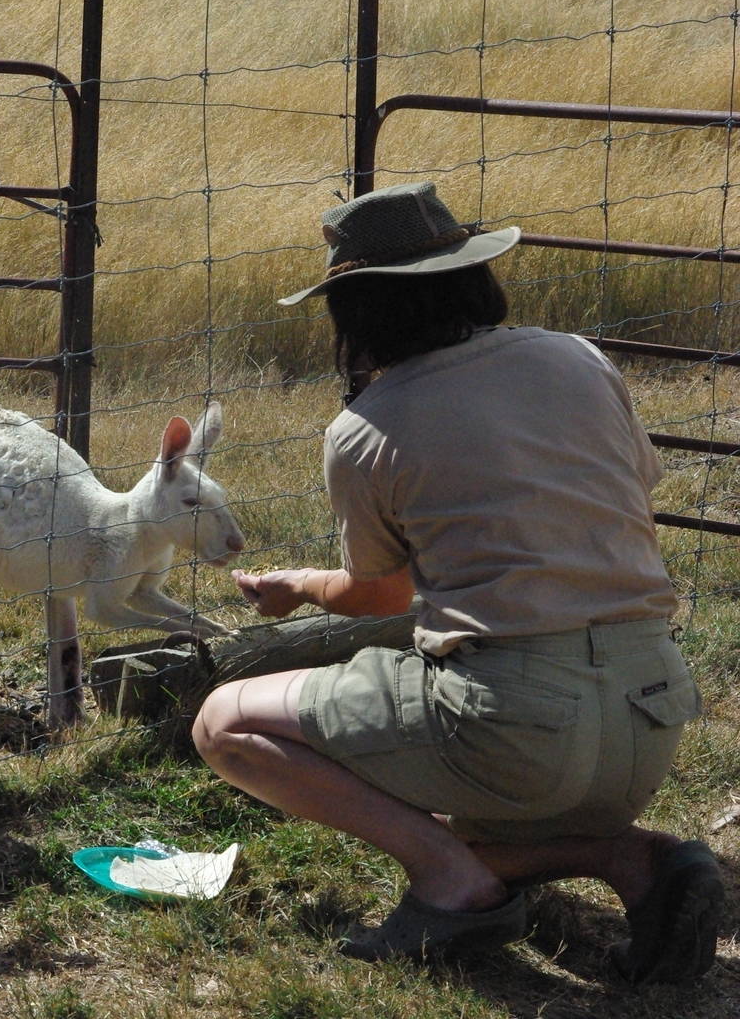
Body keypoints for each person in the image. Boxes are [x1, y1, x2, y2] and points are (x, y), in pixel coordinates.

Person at [192, 181, 723, 981]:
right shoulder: (580, 358)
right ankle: (630, 856)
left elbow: (382, 596)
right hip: (651, 714)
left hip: (518, 727)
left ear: (354, 311)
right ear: (473, 274)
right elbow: (631, 497)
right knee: (456, 819)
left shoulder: (367, 428)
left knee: (222, 722)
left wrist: (300, 583)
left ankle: (453, 884)